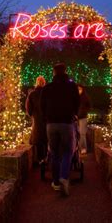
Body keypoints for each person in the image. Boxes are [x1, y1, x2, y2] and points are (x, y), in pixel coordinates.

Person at [41, 63, 80, 196]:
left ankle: (56, 182)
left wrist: (47, 117)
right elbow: (77, 103)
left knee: (54, 152)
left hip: (51, 124)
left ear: (54, 73)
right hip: (67, 123)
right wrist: (73, 113)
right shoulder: (72, 87)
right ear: (65, 72)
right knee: (68, 151)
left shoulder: (47, 88)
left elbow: (42, 105)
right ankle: (64, 177)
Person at [25, 76, 47, 165]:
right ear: (44, 83)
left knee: (36, 139)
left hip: (37, 119)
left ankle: (38, 159)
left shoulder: (32, 94)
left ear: (36, 83)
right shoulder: (47, 94)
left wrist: (31, 114)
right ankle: (46, 157)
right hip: (46, 120)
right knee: (46, 139)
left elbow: (28, 108)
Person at [77, 84, 91, 154]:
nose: (78, 90)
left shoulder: (85, 97)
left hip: (82, 117)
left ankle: (83, 148)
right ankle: (78, 148)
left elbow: (88, 106)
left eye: (80, 89)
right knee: (78, 133)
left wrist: (83, 112)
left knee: (82, 133)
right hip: (76, 118)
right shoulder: (75, 97)